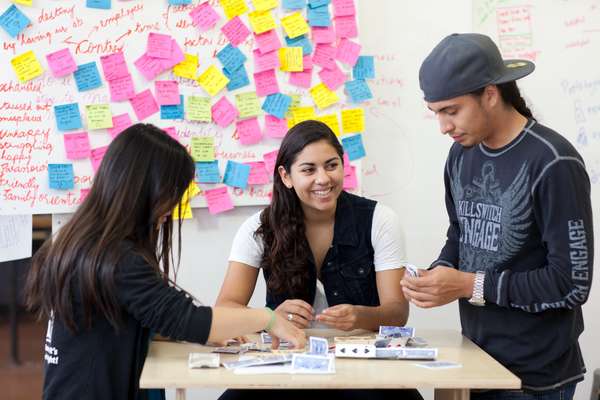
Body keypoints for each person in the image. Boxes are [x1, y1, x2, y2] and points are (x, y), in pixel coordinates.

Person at [25, 123, 305, 400]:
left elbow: (147, 317)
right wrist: (267, 318)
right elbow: (187, 319)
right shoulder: (117, 259)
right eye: (170, 196)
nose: (171, 208)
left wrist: (213, 330)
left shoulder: (84, 243)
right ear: (143, 191)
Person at [401, 33, 594, 399]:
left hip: (536, 377)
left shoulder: (554, 162)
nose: (443, 126)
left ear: (490, 94)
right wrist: (439, 272)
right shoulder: (460, 155)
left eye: (451, 110)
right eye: (436, 113)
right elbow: (461, 234)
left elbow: (571, 284)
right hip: (476, 360)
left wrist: (467, 285)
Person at [216, 120, 422, 400]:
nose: (323, 179)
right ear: (286, 176)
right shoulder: (259, 228)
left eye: (331, 165)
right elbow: (226, 308)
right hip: (287, 362)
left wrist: (360, 315)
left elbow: (397, 312)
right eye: (308, 170)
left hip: (361, 366)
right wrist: (268, 318)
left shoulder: (379, 220)